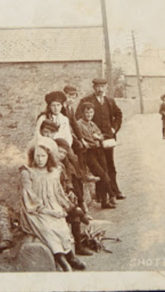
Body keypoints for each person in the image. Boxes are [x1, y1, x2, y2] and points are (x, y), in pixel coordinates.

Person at [19, 137, 87, 271]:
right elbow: (29, 198)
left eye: (43, 156)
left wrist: (66, 206)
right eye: (37, 156)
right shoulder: (27, 172)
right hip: (34, 210)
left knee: (61, 226)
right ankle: (61, 260)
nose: (40, 159)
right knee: (47, 229)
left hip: (52, 205)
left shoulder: (53, 171)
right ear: (33, 156)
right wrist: (49, 212)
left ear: (48, 157)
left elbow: (58, 193)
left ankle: (71, 257)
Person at [76, 78, 125, 200]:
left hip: (108, 139)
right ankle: (100, 195)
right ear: (94, 87)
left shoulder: (109, 101)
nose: (100, 89)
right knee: (98, 168)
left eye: (103, 86)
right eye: (98, 86)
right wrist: (88, 133)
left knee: (110, 165)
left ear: (106, 88)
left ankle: (115, 191)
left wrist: (114, 129)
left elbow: (118, 114)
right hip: (93, 142)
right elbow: (78, 118)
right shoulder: (86, 101)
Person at [54, 138, 94, 256]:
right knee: (75, 211)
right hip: (53, 199)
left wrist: (70, 189)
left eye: (64, 153)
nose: (61, 155)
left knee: (74, 209)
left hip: (62, 196)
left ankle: (78, 246)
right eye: (59, 152)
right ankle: (79, 213)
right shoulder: (50, 165)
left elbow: (66, 179)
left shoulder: (61, 165)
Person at [77, 101, 117, 209]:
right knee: (102, 175)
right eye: (86, 112)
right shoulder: (79, 124)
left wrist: (99, 137)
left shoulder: (92, 124)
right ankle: (112, 195)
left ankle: (105, 201)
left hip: (99, 151)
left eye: (91, 112)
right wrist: (88, 140)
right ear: (82, 113)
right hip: (88, 153)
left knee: (104, 173)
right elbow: (76, 137)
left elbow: (100, 135)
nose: (89, 115)